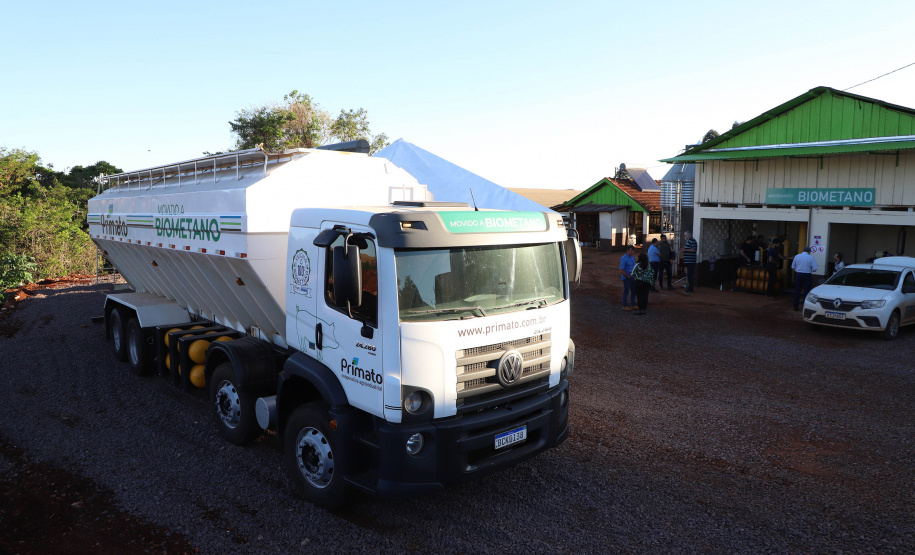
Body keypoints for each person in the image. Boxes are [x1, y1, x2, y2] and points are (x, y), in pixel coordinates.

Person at [791, 246, 819, 311]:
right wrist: (811, 270)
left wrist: (797, 270)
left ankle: (795, 306)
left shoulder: (797, 256)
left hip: (798, 274)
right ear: (809, 251)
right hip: (807, 275)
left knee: (797, 290)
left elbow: (792, 266)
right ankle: (805, 306)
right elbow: (815, 268)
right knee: (806, 290)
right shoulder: (811, 257)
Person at [619, 245, 637, 311]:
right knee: (626, 291)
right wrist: (628, 276)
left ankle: (633, 304)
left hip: (632, 277)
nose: (632, 252)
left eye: (633, 251)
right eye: (631, 251)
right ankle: (624, 305)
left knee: (633, 291)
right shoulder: (624, 258)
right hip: (627, 277)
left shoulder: (633, 258)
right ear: (627, 250)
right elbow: (621, 270)